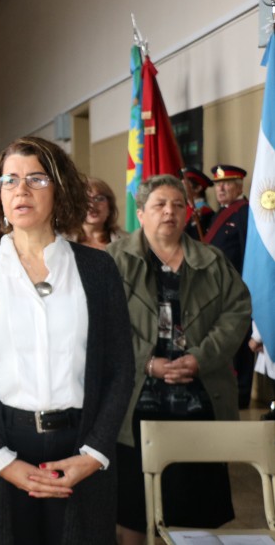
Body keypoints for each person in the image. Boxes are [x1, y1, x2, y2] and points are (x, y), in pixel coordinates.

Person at [0, 136, 135, 545]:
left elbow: (120, 369)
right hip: (0, 451)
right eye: (9, 180)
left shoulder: (98, 269)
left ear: (60, 187)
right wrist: (2, 461)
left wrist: (94, 454)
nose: (20, 190)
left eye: (35, 179)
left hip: (81, 450)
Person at [107, 174, 250, 545]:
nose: (169, 211)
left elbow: (237, 313)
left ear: (187, 212)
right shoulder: (113, 261)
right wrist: (146, 361)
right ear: (140, 213)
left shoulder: (212, 260)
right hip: (135, 402)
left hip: (198, 399)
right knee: (134, 514)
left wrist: (201, 358)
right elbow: (101, 323)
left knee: (196, 512)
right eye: (159, 204)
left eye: (177, 205)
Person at [204, 164, 254, 408]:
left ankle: (242, 394)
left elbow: (247, 252)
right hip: (217, 289)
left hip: (236, 289)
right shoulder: (218, 214)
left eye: (227, 183)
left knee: (240, 344)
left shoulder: (244, 212)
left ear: (240, 186)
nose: (220, 188)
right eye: (217, 184)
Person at [75, 177, 124, 250]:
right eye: (85, 199)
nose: (92, 205)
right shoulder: (61, 240)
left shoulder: (126, 241)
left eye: (99, 198)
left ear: (110, 207)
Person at [181, 167, 214, 240]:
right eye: (182, 182)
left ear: (198, 188)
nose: (181, 185)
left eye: (186, 183)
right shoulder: (185, 208)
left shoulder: (204, 211)